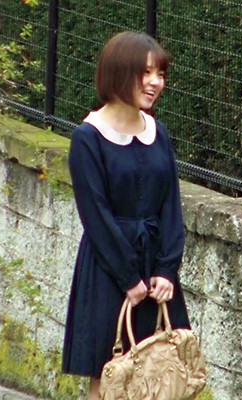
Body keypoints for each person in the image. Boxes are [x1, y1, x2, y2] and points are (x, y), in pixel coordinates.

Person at [61, 31, 191, 399]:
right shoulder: (87, 138)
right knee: (110, 376)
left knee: (163, 377)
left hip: (157, 274)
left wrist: (167, 269)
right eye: (145, 73)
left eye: (160, 74)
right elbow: (95, 215)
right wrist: (129, 277)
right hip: (109, 271)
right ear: (119, 72)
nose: (155, 82)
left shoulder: (158, 132)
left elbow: (170, 205)